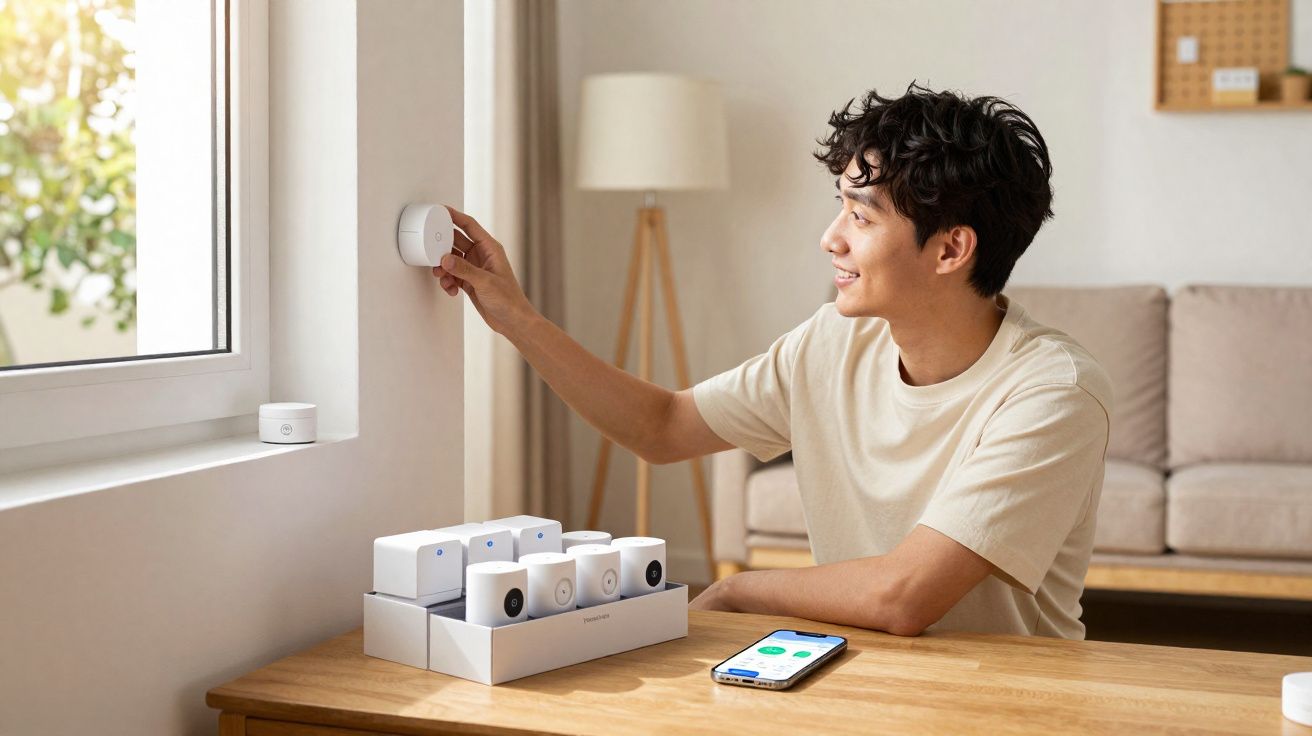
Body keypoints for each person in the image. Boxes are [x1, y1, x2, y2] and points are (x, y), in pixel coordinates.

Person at [433, 82, 1112, 639]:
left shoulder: (1054, 392)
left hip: (1008, 703)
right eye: (837, 209)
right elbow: (663, 426)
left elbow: (904, 596)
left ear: (949, 250)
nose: (830, 239)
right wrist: (515, 318)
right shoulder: (830, 344)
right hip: (854, 677)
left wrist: (733, 593)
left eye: (861, 217)